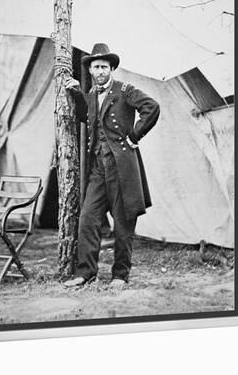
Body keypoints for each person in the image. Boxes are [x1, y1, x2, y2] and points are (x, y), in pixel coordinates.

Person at [64, 43, 160, 290]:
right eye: (95, 67)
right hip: (98, 168)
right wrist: (76, 94)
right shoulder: (92, 93)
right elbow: (88, 116)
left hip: (121, 168)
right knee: (88, 219)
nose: (99, 72)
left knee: (123, 223)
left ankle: (120, 276)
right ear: (91, 70)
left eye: (104, 67)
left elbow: (152, 107)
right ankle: (86, 273)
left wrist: (135, 136)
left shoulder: (124, 91)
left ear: (112, 68)